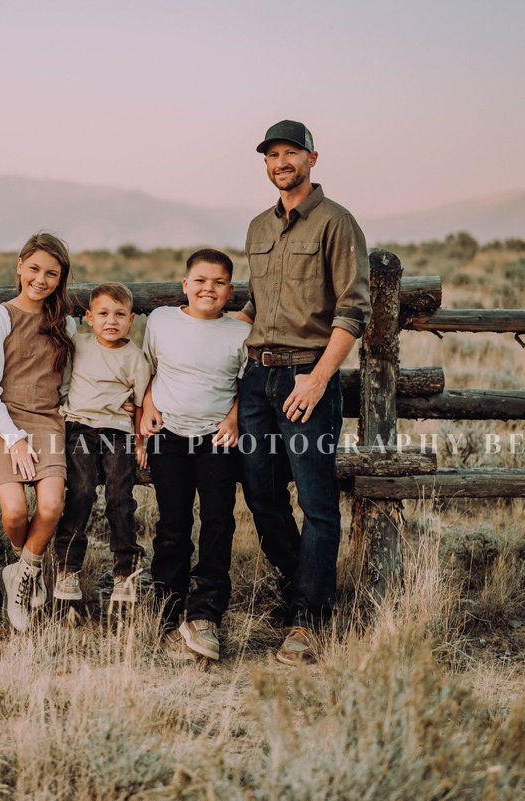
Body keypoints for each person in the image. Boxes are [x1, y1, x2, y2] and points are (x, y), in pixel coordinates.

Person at [236, 120, 370, 666]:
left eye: (291, 153)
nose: (281, 162)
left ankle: (307, 622)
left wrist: (317, 380)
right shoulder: (256, 229)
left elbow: (352, 308)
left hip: (306, 376)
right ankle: (308, 591)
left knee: (316, 501)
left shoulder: (337, 223)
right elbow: (257, 305)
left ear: (313, 159)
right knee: (261, 493)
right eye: (272, 154)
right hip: (257, 379)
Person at [139, 249, 248, 660]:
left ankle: (206, 613)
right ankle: (166, 608)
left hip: (216, 438)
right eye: (200, 280)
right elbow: (148, 369)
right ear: (185, 284)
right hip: (169, 435)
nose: (208, 288)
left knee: (218, 521)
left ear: (230, 291)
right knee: (173, 523)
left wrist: (234, 419)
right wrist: (147, 405)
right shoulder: (162, 320)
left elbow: (243, 387)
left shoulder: (238, 334)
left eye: (218, 282)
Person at [0, 233, 77, 632]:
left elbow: (66, 384)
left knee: (51, 506)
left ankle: (19, 578)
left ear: (60, 278)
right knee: (15, 510)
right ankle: (25, 567)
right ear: (19, 266)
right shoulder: (0, 315)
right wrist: (13, 438)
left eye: (52, 273)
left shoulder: (64, 323)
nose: (41, 279)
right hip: (2, 420)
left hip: (48, 419)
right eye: (34, 269)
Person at [53, 282, 152, 607]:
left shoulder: (134, 357)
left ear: (131, 320)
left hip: (117, 433)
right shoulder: (78, 344)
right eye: (104, 313)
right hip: (79, 428)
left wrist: (140, 443)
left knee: (119, 499)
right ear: (89, 318)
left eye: (120, 314)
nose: (112, 321)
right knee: (80, 491)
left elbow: (139, 404)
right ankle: (67, 569)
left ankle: (126, 572)